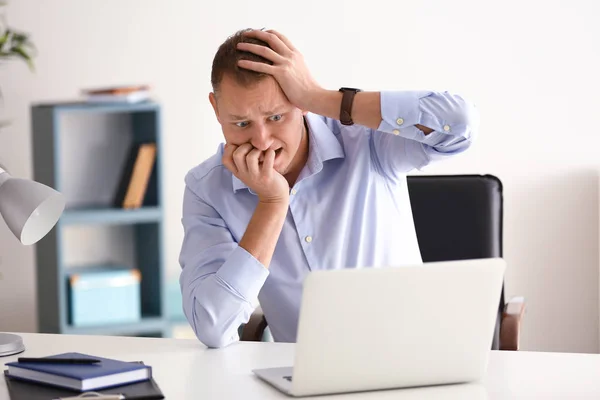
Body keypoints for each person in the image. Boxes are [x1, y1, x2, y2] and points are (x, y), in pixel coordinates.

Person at [178, 28, 479, 348]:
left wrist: (320, 97)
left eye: (276, 116)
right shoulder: (206, 189)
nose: (262, 140)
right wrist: (272, 203)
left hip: (412, 360)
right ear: (216, 109)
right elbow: (211, 326)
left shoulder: (366, 139)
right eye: (241, 124)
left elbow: (460, 126)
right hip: (303, 383)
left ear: (299, 102)